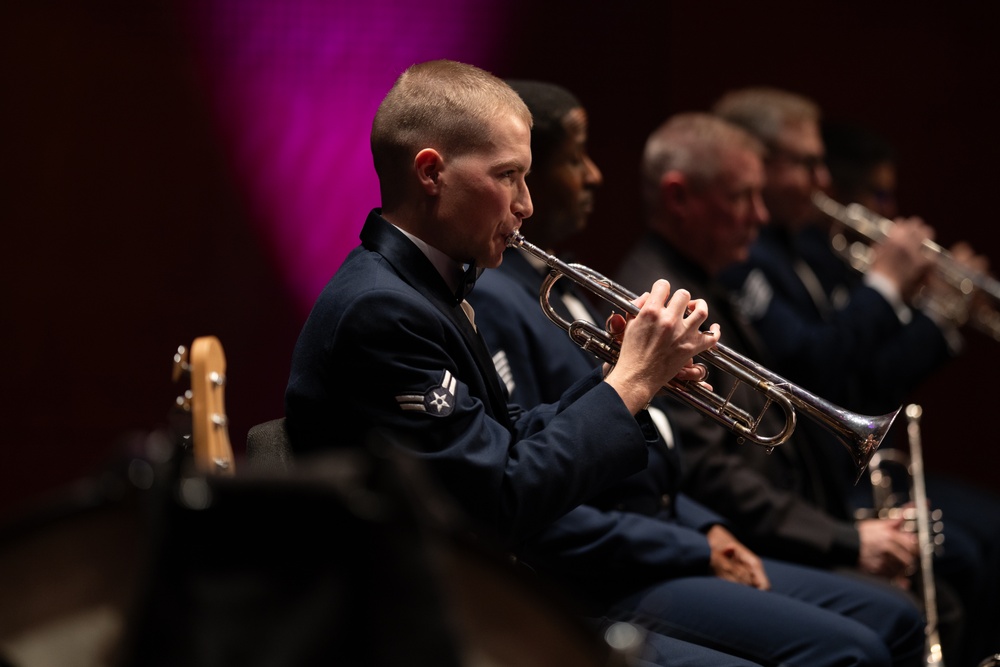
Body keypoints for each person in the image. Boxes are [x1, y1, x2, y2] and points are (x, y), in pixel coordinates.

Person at [283, 59, 750, 667]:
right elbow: (502, 497)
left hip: (476, 596)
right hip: (422, 627)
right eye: (508, 176)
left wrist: (625, 374)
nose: (527, 204)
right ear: (432, 173)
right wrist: (633, 381)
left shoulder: (423, 286)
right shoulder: (382, 311)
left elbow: (501, 443)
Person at [470, 83, 924, 666]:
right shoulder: (503, 300)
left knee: (890, 619)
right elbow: (537, 484)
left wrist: (702, 525)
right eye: (567, 162)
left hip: (673, 529)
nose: (595, 177)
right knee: (855, 648)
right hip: (608, 571)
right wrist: (639, 383)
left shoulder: (564, 284)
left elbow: (623, 453)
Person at [711, 88, 1000, 666]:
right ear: (756, 164)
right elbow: (817, 367)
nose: (824, 180)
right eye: (806, 163)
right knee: (961, 553)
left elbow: (871, 376)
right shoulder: (747, 256)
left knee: (987, 525)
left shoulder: (809, 249)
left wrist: (935, 312)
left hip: (841, 465)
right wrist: (889, 286)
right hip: (813, 479)